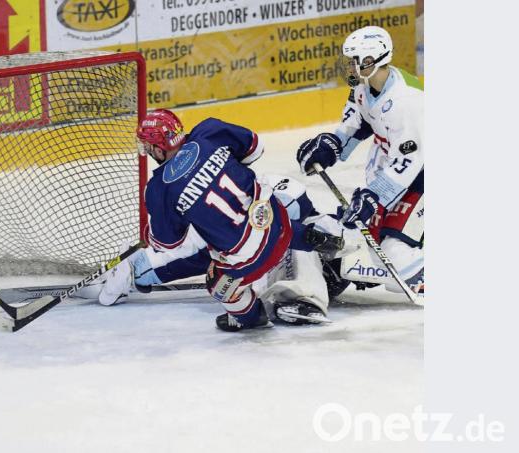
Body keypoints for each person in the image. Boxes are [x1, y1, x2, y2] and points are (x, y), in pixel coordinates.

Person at [99, 109, 344, 332]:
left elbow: (170, 243)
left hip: (248, 260)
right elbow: (254, 148)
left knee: (219, 284)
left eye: (148, 146)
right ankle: (318, 238)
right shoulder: (208, 131)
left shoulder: (158, 188)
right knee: (278, 208)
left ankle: (249, 317)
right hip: (277, 224)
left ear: (158, 148)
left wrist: (155, 231)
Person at [296, 26, 424, 295]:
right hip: (389, 170)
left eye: (354, 61)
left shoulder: (407, 102)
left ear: (371, 61)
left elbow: (409, 163)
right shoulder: (363, 86)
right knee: (365, 238)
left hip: (421, 176)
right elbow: (356, 122)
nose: (349, 67)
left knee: (393, 252)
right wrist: (331, 144)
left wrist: (374, 197)